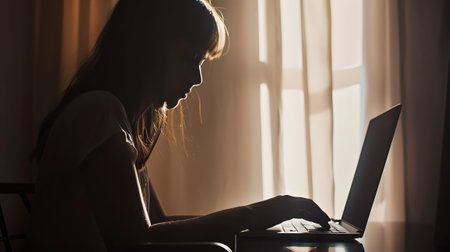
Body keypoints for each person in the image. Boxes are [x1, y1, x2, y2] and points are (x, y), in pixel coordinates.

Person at [29, 0, 330, 251]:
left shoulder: (120, 120)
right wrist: (255, 214)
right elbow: (139, 240)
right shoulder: (99, 111)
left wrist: (258, 217)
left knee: (264, 245)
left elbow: (158, 226)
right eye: (190, 58)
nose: (198, 78)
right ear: (150, 47)